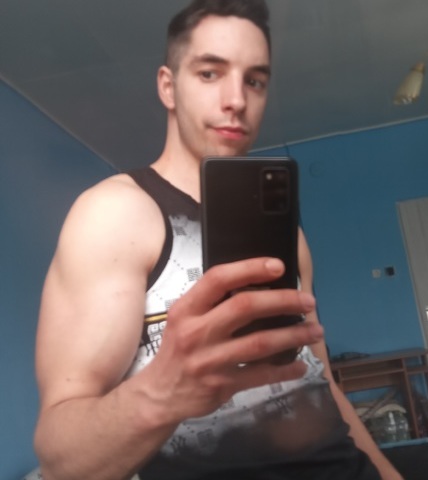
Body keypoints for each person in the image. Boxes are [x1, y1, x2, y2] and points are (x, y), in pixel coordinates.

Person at [34, 1, 403, 479]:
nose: (236, 99)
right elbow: (60, 459)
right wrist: (161, 394)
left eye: (255, 80)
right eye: (210, 73)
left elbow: (321, 379)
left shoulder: (286, 234)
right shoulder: (116, 214)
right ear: (168, 86)